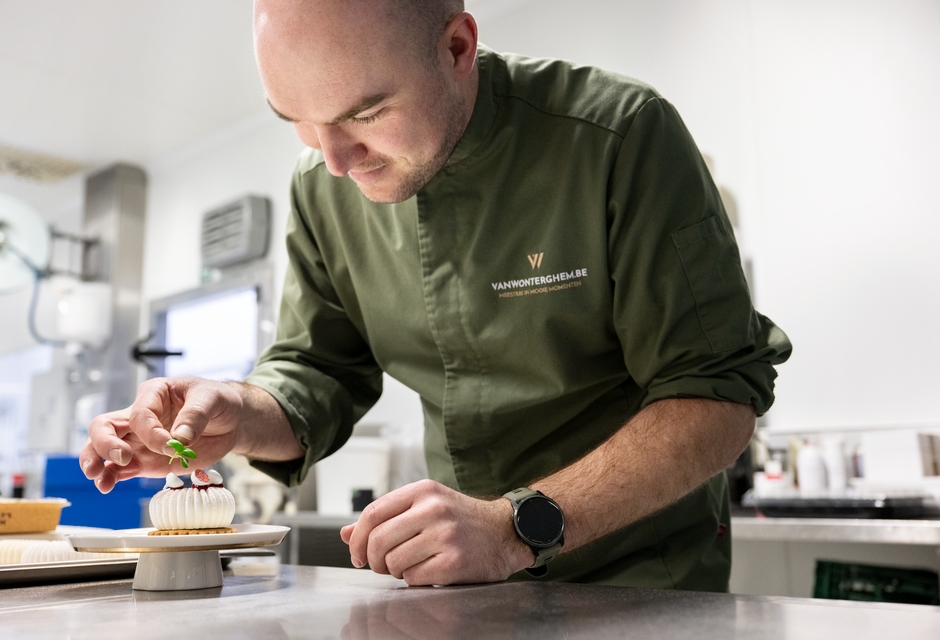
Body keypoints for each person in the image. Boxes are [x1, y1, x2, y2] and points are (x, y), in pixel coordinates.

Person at [80, 0, 791, 590]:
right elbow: (317, 371)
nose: (334, 160)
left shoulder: (617, 137)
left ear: (457, 47)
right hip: (461, 592)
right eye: (294, 119)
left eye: (365, 112)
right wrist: (236, 412)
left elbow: (716, 396)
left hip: (643, 586)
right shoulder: (320, 185)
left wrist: (516, 527)